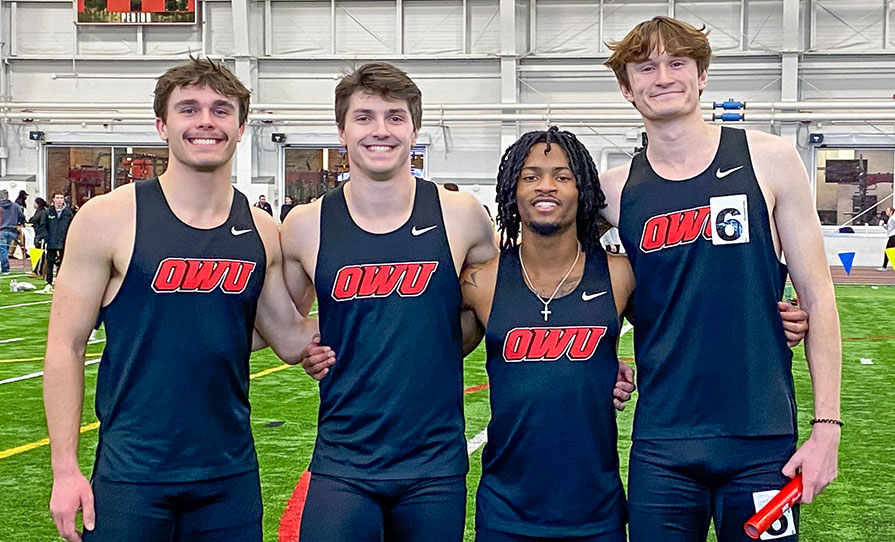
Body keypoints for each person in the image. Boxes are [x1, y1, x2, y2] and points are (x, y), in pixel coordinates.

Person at [43, 57, 323, 542]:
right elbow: (65, 347)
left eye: (220, 110)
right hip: (132, 475)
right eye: (188, 109)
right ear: (162, 125)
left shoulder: (260, 229)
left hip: (228, 476)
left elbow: (292, 336)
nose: (205, 122)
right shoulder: (108, 218)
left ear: (239, 128)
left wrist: (345, 266)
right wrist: (65, 469)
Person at [600, 16, 841, 541]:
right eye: (646, 67)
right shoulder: (614, 191)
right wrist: (599, 351)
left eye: (677, 62)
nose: (663, 76)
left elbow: (819, 300)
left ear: (702, 75)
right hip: (662, 446)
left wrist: (827, 431)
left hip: (762, 443)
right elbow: (556, 272)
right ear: (627, 87)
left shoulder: (769, 159)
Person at [281, 62, 497, 542]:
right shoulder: (305, 224)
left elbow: (495, 312)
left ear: (414, 129)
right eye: (365, 117)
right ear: (342, 131)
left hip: (433, 464)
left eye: (395, 117)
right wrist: (308, 347)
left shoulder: (461, 216)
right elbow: (279, 322)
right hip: (344, 460)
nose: (381, 131)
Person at [40, 192, 74, 293]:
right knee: (49, 263)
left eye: (61, 198)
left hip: (64, 242)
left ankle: (63, 283)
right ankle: (48, 283)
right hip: (51, 242)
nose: (59, 200)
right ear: (53, 199)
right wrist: (46, 237)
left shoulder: (69, 213)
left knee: (64, 263)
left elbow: (73, 226)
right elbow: (43, 225)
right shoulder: (48, 212)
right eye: (57, 198)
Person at [0, 188, 26, 274]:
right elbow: (22, 217)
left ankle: (5, 268)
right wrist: (19, 223)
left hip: (1, 230)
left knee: (2, 249)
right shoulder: (15, 206)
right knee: (5, 249)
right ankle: (4, 266)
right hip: (12, 231)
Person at [877, 207, 894, 271]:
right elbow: (889, 228)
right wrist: (883, 224)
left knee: (888, 251)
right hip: (892, 236)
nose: (886, 211)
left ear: (891, 211)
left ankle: (884, 267)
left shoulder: (893, 217)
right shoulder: (891, 218)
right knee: (889, 251)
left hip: (893, 237)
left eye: (887, 210)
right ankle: (884, 266)